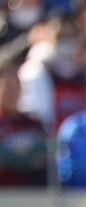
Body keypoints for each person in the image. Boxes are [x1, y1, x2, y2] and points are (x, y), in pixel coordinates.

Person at [0, 56, 47, 186]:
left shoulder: (33, 123)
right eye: (6, 89)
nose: (11, 94)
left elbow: (44, 157)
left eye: (14, 88)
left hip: (31, 193)